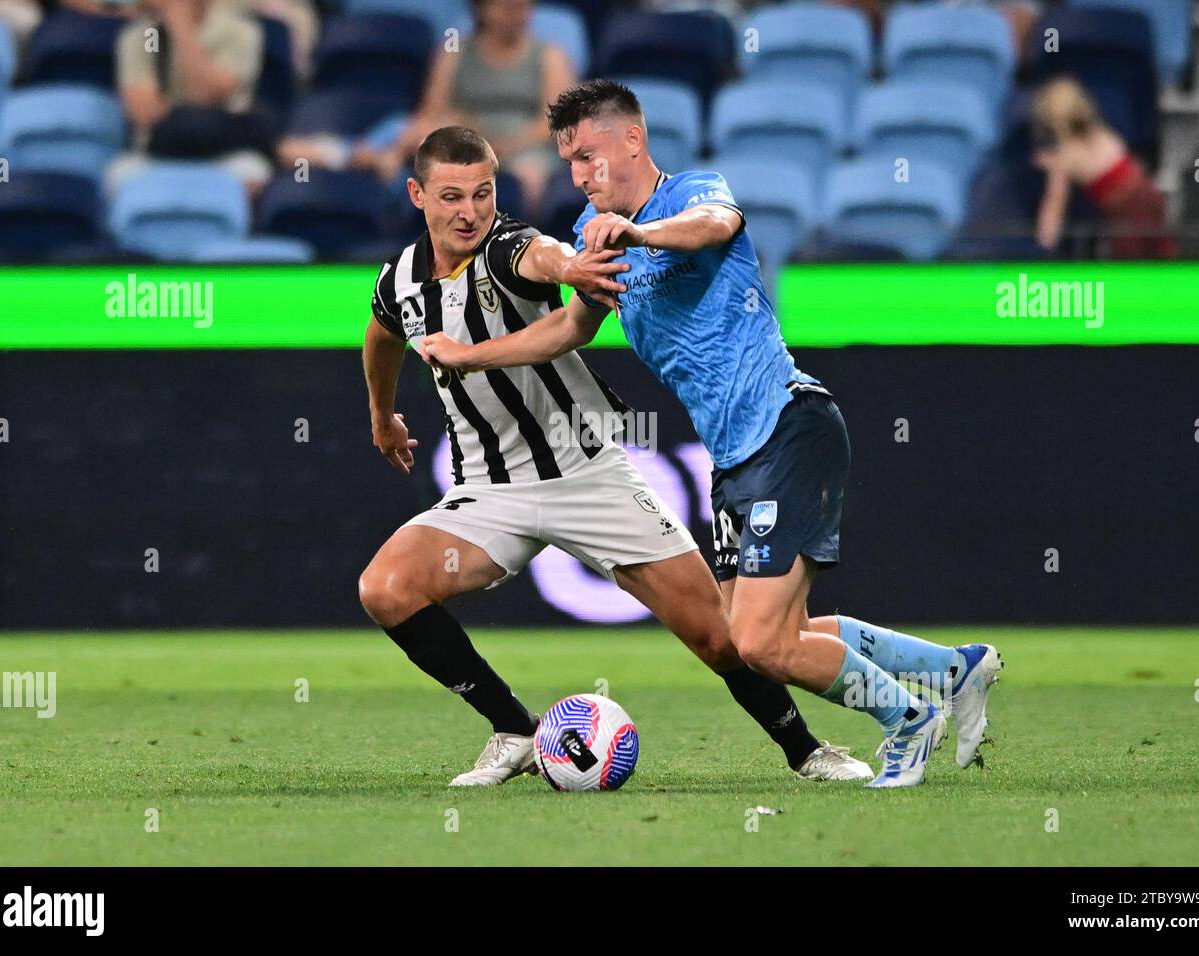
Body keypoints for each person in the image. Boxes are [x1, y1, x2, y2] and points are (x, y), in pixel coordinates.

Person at [420, 82, 1004, 787]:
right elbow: (571, 327)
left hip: (785, 424)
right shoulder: (591, 231)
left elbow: (716, 225)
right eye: (568, 161)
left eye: (587, 156)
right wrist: (465, 355)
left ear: (631, 141)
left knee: (758, 640)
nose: (577, 175)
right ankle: (952, 670)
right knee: (764, 637)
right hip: (734, 458)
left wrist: (638, 233)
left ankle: (908, 718)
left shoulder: (690, 192)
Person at [359, 125, 873, 787]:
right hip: (491, 490)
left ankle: (806, 749)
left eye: (482, 194)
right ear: (417, 194)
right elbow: (381, 335)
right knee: (386, 588)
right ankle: (513, 728)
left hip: (587, 474)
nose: (469, 212)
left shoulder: (507, 245)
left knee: (721, 636)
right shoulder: (400, 278)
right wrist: (382, 416)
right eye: (452, 197)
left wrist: (573, 267)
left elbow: (543, 258)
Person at [349, 0, 573, 215]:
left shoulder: (550, 55)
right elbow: (432, 111)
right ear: (482, 9)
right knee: (417, 135)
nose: (518, 15)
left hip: (526, 148)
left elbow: (555, 121)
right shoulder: (453, 52)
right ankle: (383, 177)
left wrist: (505, 147)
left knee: (529, 176)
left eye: (524, 7)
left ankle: (522, 241)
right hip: (468, 138)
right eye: (507, 7)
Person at [110, 0, 271, 196]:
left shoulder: (237, 32)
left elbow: (205, 95)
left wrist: (180, 25)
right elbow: (144, 113)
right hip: (158, 153)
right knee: (119, 176)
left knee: (252, 174)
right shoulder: (145, 36)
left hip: (223, 149)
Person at [1032, 76, 1177, 258]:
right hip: (1149, 195)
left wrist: (1042, 245)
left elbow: (1054, 206)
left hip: (1127, 213)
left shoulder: (1066, 156)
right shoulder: (1102, 133)